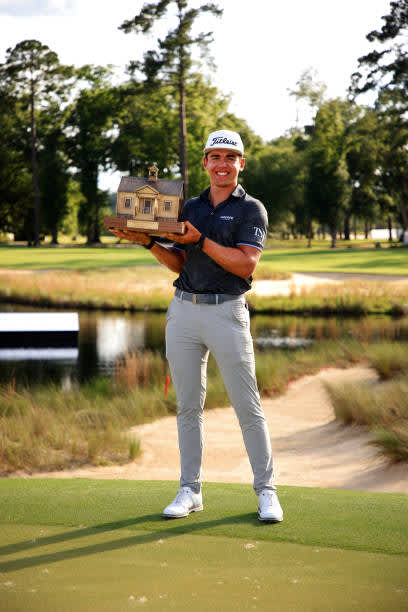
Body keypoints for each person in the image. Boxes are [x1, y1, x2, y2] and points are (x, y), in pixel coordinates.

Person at [110, 129, 283, 523]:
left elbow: (245, 264)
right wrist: (149, 243)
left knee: (248, 407)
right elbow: (181, 263)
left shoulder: (251, 209)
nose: (222, 163)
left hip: (227, 313)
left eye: (230, 156)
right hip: (184, 312)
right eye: (214, 156)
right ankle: (190, 490)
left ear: (241, 163)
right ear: (205, 162)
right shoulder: (188, 206)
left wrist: (201, 240)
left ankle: (267, 492)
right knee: (188, 406)